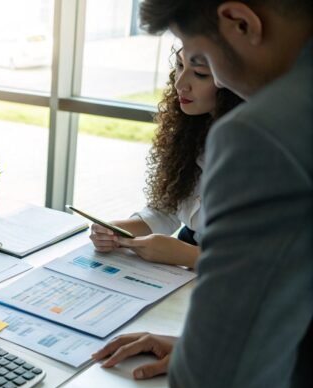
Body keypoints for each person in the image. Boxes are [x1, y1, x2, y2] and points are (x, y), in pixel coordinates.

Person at [92, 0, 312, 388]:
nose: (189, 81)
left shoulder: (265, 132)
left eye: (202, 61)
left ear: (240, 22)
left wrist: (202, 357)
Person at [90, 49, 242, 269]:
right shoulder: (191, 132)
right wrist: (118, 230)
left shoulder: (264, 153)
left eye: (199, 73)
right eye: (180, 66)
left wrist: (186, 255)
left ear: (234, 81)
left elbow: (265, 260)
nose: (180, 84)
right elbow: (166, 210)